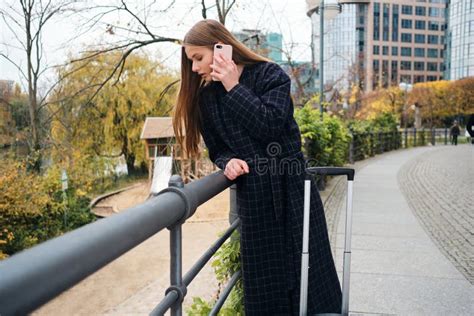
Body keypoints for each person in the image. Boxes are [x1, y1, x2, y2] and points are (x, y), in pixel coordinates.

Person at [173, 19, 341, 315]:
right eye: (191, 62)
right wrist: (227, 161)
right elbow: (218, 147)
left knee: (311, 276)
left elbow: (270, 125)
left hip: (293, 190)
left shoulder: (270, 75)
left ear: (220, 47)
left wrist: (232, 86)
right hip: (256, 200)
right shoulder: (206, 99)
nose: (195, 68)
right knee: (267, 290)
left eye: (198, 58)